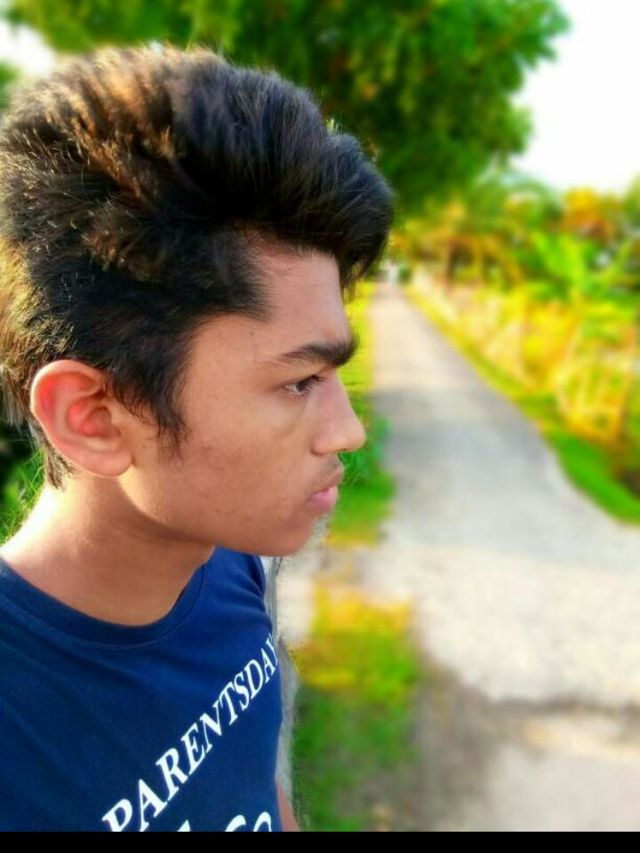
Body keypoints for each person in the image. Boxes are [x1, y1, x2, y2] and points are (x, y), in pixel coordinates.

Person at [0, 44, 393, 831]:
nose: (347, 432)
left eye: (335, 375)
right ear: (93, 416)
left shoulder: (228, 560)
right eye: (298, 381)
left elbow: (257, 783)